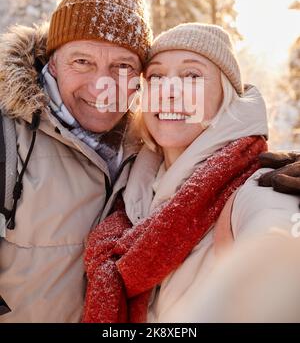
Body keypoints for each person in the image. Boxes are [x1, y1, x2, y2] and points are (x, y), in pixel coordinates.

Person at [82, 22, 300, 323]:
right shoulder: (128, 193)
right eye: (156, 77)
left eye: (192, 76)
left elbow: (279, 248)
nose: (169, 93)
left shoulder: (256, 188)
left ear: (225, 97)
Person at [0, 0, 152, 323]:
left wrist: (263, 174)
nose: (102, 86)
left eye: (122, 66)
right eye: (82, 62)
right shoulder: (9, 136)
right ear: (51, 63)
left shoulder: (153, 143)